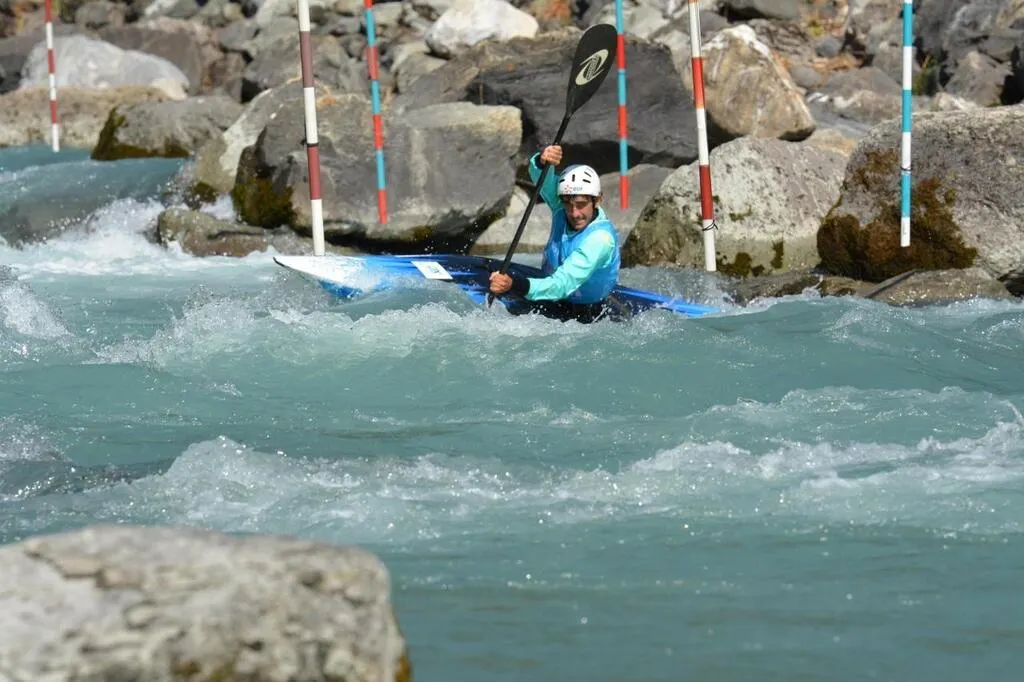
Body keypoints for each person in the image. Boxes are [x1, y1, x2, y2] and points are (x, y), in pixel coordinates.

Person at [488, 144, 625, 323]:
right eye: (568, 204)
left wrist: (515, 285)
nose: (575, 213)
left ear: (597, 200)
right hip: (550, 293)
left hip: (585, 313)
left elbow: (562, 285)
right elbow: (543, 179)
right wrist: (542, 161)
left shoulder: (600, 240)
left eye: (581, 204)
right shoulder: (562, 205)